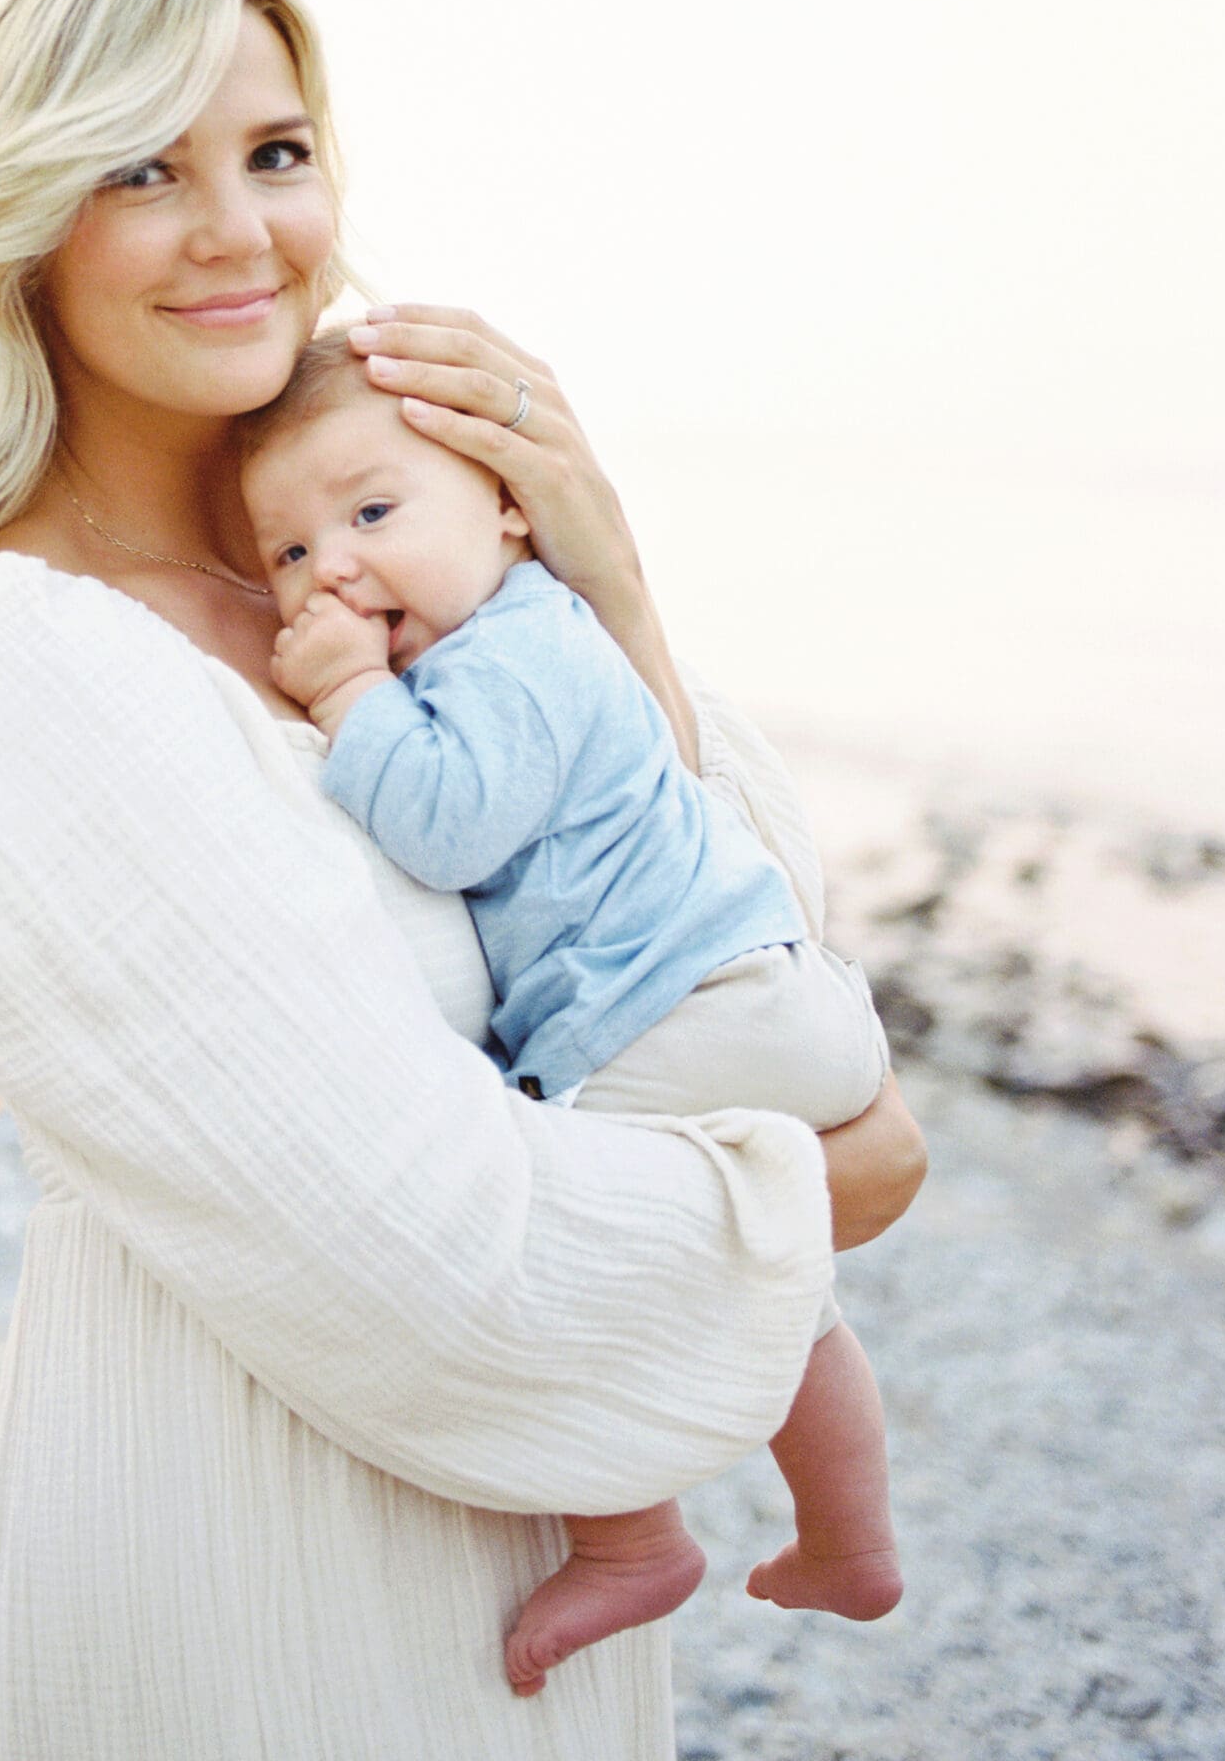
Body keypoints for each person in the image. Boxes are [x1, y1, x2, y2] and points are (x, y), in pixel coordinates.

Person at [0, 0, 928, 1760]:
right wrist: (830, 1183)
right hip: (263, 1591)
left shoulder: (375, 568)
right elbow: (437, 1263)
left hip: (527, 1562)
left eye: (276, 153)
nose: (241, 230)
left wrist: (605, 568)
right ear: (14, 228)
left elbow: (739, 916)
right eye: (142, 170)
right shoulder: (18, 671)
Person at [235, 334, 905, 1698]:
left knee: (551, 1234)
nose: (336, 568)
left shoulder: (510, 647)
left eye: (371, 515)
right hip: (765, 999)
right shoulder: (536, 634)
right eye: (291, 554)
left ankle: (630, 1536)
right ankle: (851, 1542)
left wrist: (351, 694)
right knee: (787, 1293)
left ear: (507, 507)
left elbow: (452, 825)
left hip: (677, 1011)